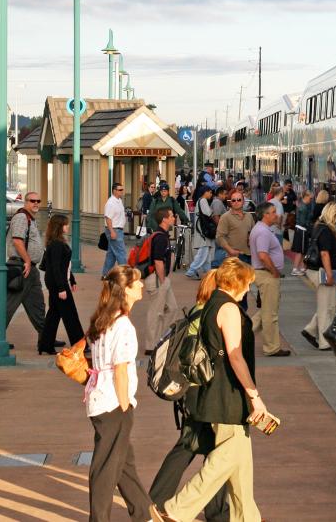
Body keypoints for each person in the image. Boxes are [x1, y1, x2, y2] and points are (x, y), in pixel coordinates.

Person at [157, 258, 265, 522]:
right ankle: (177, 509)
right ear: (237, 281)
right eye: (248, 283)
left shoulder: (213, 303)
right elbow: (235, 355)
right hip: (226, 394)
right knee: (226, 459)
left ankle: (247, 517)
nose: (249, 288)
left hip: (220, 392)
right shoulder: (228, 308)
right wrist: (254, 395)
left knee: (241, 467)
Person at [84, 265, 161, 522]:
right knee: (107, 468)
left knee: (125, 464)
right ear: (125, 290)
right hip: (114, 404)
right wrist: (126, 406)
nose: (141, 286)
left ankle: (144, 513)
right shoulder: (124, 325)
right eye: (136, 283)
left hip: (99, 399)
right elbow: (120, 370)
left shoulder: (102, 319)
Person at [0, 192, 46, 350]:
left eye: (38, 201)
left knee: (37, 305)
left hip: (30, 269)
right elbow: (17, 240)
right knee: (9, 306)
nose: (36, 203)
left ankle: (46, 337)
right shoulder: (21, 217)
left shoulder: (30, 219)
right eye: (32, 200)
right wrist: (27, 260)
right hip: (21, 268)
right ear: (25, 202)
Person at [250, 202, 290, 357]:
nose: (276, 215)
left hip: (265, 274)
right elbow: (262, 255)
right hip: (267, 275)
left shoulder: (261, 230)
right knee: (270, 314)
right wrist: (274, 271)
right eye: (273, 212)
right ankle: (271, 347)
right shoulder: (262, 232)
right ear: (265, 215)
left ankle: (241, 336)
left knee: (264, 311)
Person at [38, 214, 82, 355]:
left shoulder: (57, 242)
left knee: (54, 314)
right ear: (59, 226)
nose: (67, 226)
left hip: (58, 281)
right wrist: (62, 288)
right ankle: (79, 344)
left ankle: (45, 344)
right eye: (65, 224)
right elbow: (56, 268)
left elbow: (65, 266)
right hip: (58, 283)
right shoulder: (57, 244)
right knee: (70, 314)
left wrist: (72, 280)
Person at [301, 201, 336, 350]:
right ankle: (324, 342)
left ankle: (310, 329)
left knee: (333, 303)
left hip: (323, 271)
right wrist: (329, 274)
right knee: (326, 307)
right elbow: (324, 253)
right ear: (333, 214)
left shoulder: (322, 227)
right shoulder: (325, 230)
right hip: (322, 272)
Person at [142, 208, 179, 354]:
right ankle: (151, 346)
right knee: (155, 312)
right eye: (171, 216)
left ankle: (163, 339)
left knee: (172, 308)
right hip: (157, 279)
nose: (174, 218)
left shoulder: (162, 235)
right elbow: (158, 260)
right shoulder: (160, 237)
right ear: (164, 219)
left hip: (162, 279)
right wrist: (163, 280)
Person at [216, 189, 255, 310]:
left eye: (239, 200)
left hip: (248, 258)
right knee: (235, 292)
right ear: (230, 202)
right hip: (235, 258)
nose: (236, 202)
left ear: (243, 201)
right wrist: (230, 250)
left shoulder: (249, 217)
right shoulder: (225, 217)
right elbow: (219, 237)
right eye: (234, 200)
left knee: (244, 291)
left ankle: (241, 319)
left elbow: (253, 233)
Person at [185, 186, 216, 280]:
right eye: (210, 192)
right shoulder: (203, 201)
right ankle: (191, 270)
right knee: (203, 252)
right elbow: (209, 213)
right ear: (205, 192)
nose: (211, 194)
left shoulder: (199, 200)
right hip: (203, 232)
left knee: (205, 254)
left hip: (201, 230)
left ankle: (208, 273)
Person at [103, 182, 128, 278]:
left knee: (111, 254)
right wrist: (112, 231)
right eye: (120, 190)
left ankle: (106, 274)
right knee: (121, 253)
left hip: (118, 229)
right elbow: (108, 218)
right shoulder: (111, 203)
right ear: (114, 191)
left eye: (122, 189)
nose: (122, 191)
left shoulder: (119, 200)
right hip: (114, 230)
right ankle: (125, 275)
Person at [290, 191, 313, 276]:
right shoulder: (304, 207)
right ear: (306, 196)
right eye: (310, 198)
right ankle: (295, 269)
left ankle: (302, 267)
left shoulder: (302, 205)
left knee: (303, 250)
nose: (311, 200)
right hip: (302, 230)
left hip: (300, 230)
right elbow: (303, 222)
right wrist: (311, 225)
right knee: (301, 251)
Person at [210, 187, 229, 269]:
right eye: (225, 194)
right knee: (221, 247)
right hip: (219, 229)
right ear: (220, 194)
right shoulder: (217, 202)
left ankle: (216, 264)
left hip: (219, 228)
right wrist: (220, 228)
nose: (226, 196)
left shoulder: (218, 202)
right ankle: (216, 265)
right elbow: (216, 216)